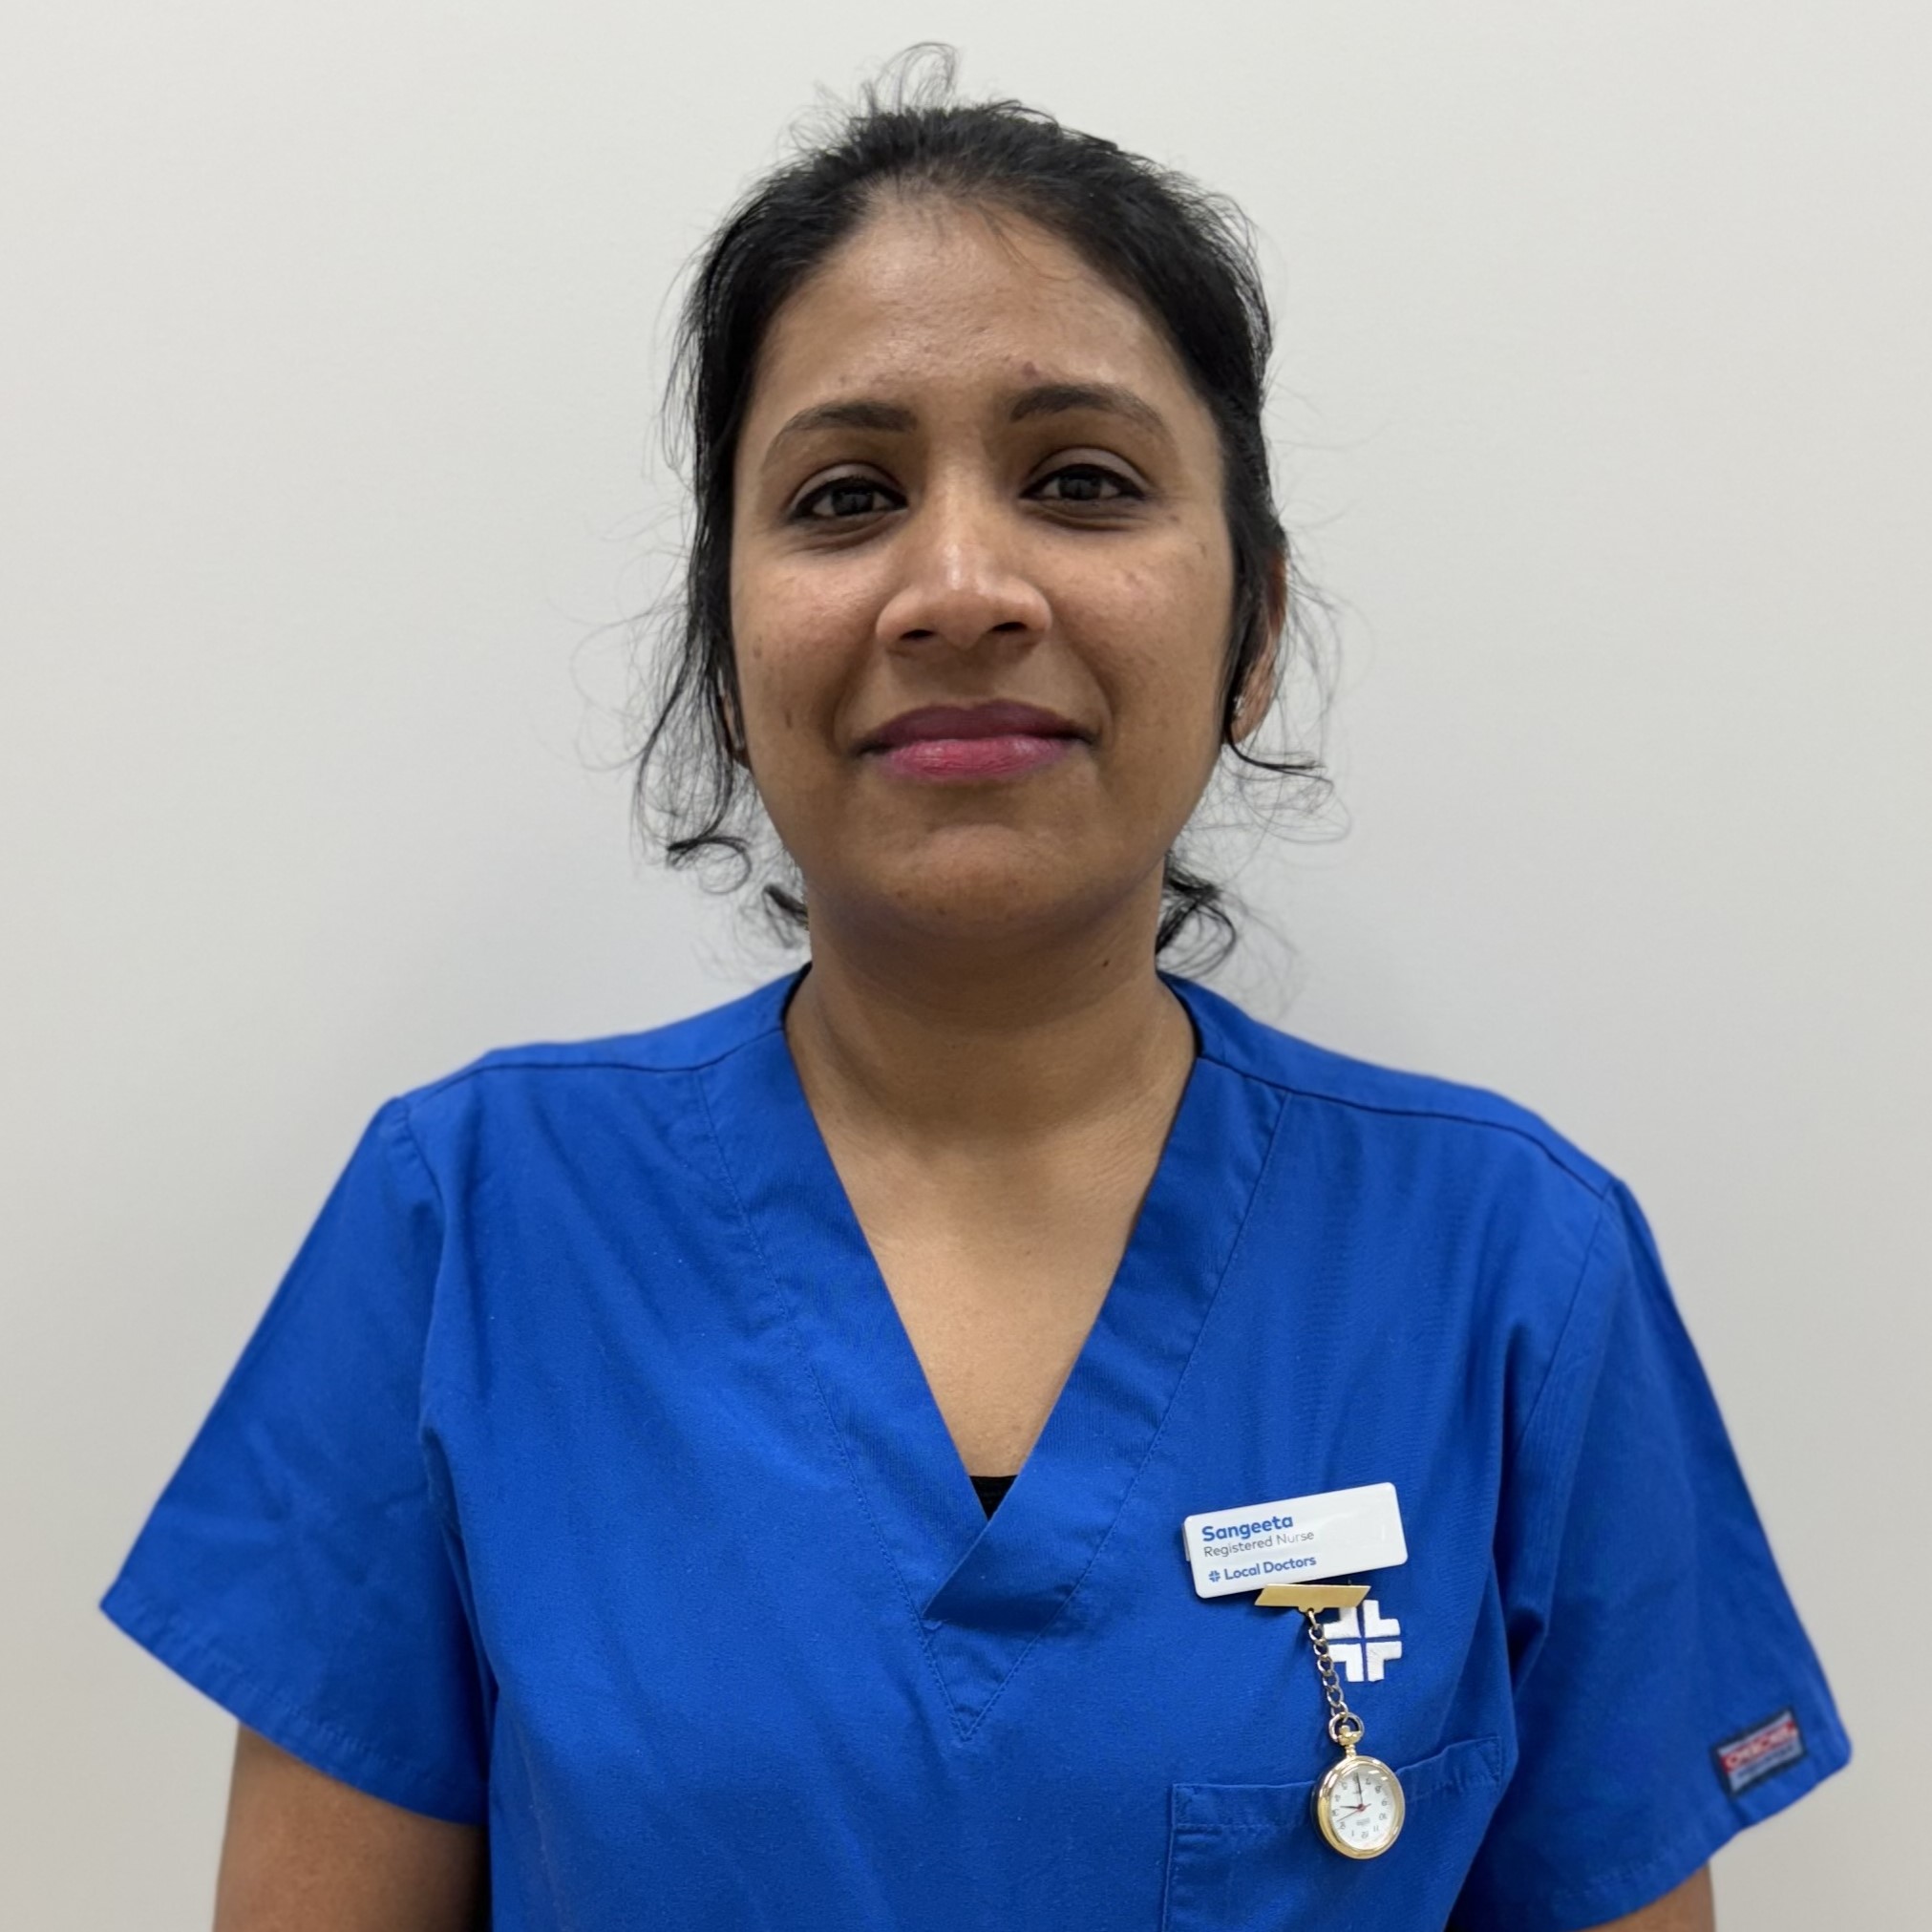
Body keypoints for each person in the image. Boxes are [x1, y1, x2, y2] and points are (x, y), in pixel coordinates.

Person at [100, 50, 1847, 1932]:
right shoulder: (469, 1231)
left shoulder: (1513, 1270)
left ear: (1253, 626)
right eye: (845, 496)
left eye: (1080, 482)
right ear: (729, 650)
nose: (957, 586)